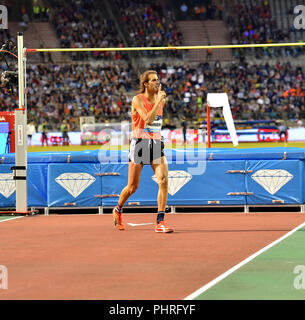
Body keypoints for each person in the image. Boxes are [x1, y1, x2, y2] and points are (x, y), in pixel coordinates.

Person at [113, 70, 173, 233]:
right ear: (145, 84)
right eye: (153, 80)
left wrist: (159, 101)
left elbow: (156, 123)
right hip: (139, 144)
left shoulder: (160, 100)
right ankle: (118, 209)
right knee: (132, 187)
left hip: (156, 143)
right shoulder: (137, 99)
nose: (157, 82)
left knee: (163, 180)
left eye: (157, 80)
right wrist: (159, 100)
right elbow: (148, 119)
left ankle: (160, 221)